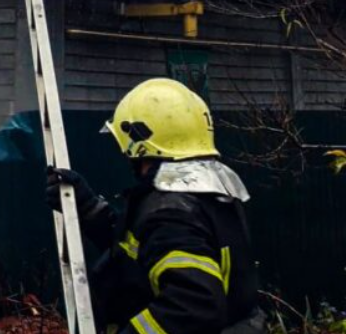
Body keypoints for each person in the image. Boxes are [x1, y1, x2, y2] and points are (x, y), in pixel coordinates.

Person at [46, 78, 263, 334]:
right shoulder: (209, 192)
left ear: (140, 141)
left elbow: (193, 306)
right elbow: (142, 254)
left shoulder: (171, 212)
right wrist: (88, 208)